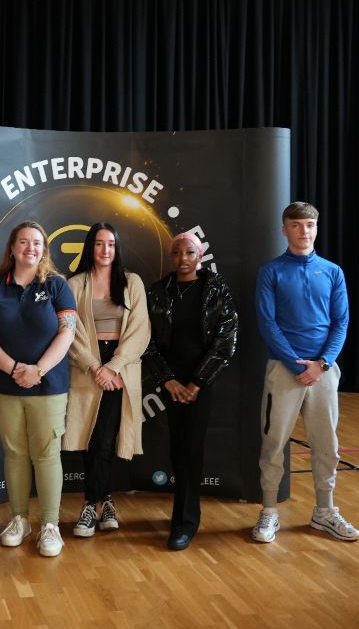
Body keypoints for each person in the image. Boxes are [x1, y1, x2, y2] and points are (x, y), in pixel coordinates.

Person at [251, 201, 359, 544]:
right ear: (285, 229)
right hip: (284, 370)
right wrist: (295, 362)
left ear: (316, 228)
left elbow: (341, 322)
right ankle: (269, 511)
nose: (304, 231)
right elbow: (267, 323)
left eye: (309, 225)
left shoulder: (332, 271)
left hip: (323, 371)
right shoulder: (271, 271)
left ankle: (324, 512)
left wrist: (322, 364)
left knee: (327, 444)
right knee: (274, 443)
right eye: (296, 225)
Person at [0, 221, 77, 557]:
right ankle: (19, 519)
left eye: (37, 243)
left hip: (48, 386)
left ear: (44, 249)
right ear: (12, 248)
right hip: (7, 385)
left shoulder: (57, 286)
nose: (30, 248)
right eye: (23, 242)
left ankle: (50, 526)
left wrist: (39, 370)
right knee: (16, 454)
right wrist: (15, 368)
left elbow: (66, 332)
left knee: (46, 454)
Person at [142, 231, 238, 551]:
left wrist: (196, 383)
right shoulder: (157, 292)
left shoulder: (217, 289)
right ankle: (184, 513)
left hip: (201, 383)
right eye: (176, 253)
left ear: (199, 256)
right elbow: (147, 342)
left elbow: (225, 341)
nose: (182, 258)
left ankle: (185, 522)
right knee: (177, 449)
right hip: (170, 384)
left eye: (189, 252)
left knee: (191, 450)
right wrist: (168, 380)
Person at [62, 223, 151, 537]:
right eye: (99, 244)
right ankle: (98, 503)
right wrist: (93, 366)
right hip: (88, 368)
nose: (105, 250)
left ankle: (98, 502)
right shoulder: (74, 284)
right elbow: (68, 332)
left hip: (121, 368)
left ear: (117, 248)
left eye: (110, 244)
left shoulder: (132, 282)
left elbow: (141, 329)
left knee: (108, 437)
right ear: (90, 247)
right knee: (92, 438)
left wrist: (113, 367)